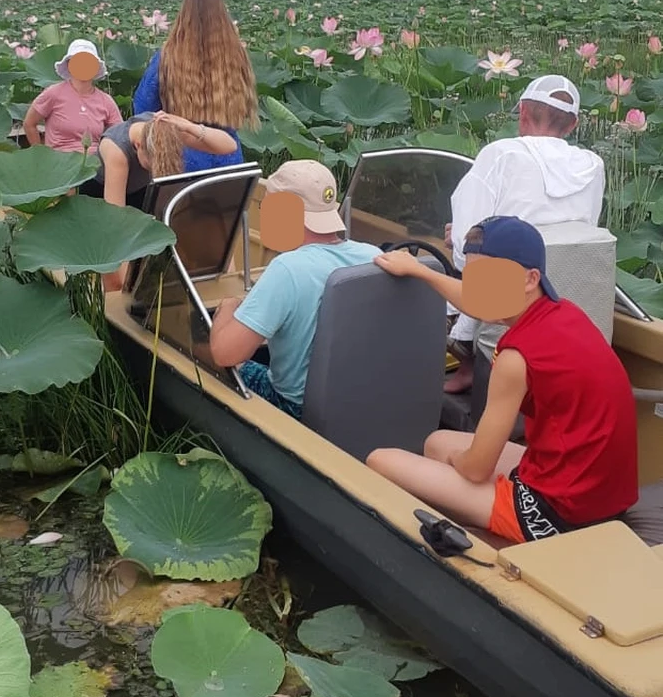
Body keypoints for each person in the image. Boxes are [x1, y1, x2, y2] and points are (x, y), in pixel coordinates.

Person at [367, 216, 638, 544]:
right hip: (594, 490)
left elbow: (476, 470)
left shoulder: (515, 357)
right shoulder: (562, 312)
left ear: (530, 278)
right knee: (437, 443)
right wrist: (420, 271)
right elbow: (478, 302)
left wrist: (460, 463)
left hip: (560, 513)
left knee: (380, 461)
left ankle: (474, 544)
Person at [444, 74, 605, 394]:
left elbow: (467, 247)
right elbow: (582, 230)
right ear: (572, 126)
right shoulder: (593, 164)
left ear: (523, 113)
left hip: (505, 309)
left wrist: (456, 241)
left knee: (452, 278)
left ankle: (469, 366)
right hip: (570, 304)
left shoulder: (501, 155)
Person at [208, 160, 380, 419]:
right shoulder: (372, 255)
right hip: (357, 399)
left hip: (296, 407)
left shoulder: (287, 268)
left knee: (215, 357)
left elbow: (225, 354)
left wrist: (227, 308)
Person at [80, 109, 238, 291]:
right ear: (138, 145)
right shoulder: (116, 149)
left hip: (142, 190)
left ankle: (221, 286)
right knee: (113, 272)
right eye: (150, 166)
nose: (154, 170)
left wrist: (189, 127)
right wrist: (126, 287)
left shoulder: (165, 130)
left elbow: (229, 146)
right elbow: (115, 223)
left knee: (208, 221)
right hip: (99, 196)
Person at [132, 0, 259, 172]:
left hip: (181, 154)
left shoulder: (168, 55)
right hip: (227, 151)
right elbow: (245, 107)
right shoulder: (236, 54)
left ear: (184, 14)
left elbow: (143, 108)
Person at [23, 39, 121, 153]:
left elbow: (120, 134)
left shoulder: (106, 101)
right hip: (60, 161)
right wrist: (40, 155)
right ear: (69, 65)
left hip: (95, 162)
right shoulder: (54, 93)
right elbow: (29, 123)